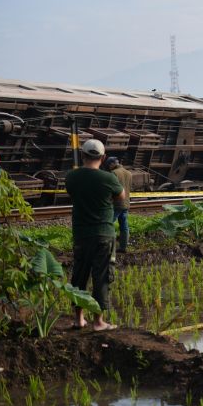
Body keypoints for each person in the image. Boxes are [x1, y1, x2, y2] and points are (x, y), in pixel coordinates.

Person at [65, 139, 125, 331]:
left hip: (81, 235)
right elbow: (121, 197)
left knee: (79, 276)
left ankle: (78, 319)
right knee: (102, 277)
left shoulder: (72, 177)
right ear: (103, 157)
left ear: (83, 155)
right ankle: (99, 322)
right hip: (104, 235)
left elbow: (72, 194)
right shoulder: (109, 178)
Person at [106, 157, 132, 253]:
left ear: (112, 164)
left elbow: (111, 189)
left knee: (108, 224)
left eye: (109, 165)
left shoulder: (114, 173)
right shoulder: (129, 173)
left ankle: (108, 247)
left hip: (116, 204)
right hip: (126, 204)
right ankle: (123, 247)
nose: (109, 167)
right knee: (124, 226)